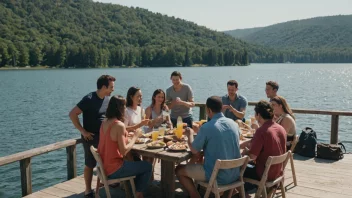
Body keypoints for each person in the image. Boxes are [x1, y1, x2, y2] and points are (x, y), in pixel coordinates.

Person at [175, 96, 241, 198]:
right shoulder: (234, 124)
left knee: (179, 170)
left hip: (217, 176)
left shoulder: (207, 126)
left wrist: (190, 135)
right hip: (235, 174)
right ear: (221, 108)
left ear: (208, 110)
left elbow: (194, 150)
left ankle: (195, 196)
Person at [69, 75, 115, 198]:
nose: (113, 90)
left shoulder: (107, 98)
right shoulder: (89, 99)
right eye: (111, 87)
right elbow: (73, 114)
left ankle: (105, 182)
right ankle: (88, 191)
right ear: (104, 86)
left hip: (104, 137)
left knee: (106, 161)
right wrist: (83, 132)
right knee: (90, 164)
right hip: (91, 138)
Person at [97, 95, 152, 198]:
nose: (125, 109)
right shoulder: (119, 125)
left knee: (138, 163)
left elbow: (112, 140)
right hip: (115, 169)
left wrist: (126, 135)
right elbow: (124, 151)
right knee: (148, 166)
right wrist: (135, 136)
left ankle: (134, 188)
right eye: (124, 106)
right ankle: (138, 193)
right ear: (120, 108)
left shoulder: (105, 122)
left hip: (104, 167)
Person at [240, 100, 286, 191]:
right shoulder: (280, 128)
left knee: (234, 168)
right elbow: (257, 141)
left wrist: (244, 153)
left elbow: (252, 157)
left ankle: (239, 193)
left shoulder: (261, 131)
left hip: (264, 174)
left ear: (258, 115)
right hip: (277, 172)